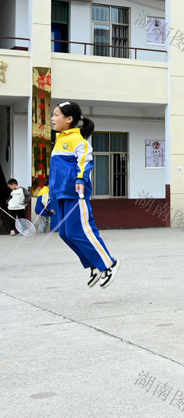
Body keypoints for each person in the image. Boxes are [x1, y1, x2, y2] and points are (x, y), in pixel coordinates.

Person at [50, 102, 119, 287]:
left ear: (69, 119)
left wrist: (80, 180)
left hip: (75, 194)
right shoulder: (59, 141)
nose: (52, 118)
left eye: (56, 115)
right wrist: (50, 193)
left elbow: (85, 162)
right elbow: (57, 172)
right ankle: (94, 265)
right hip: (61, 195)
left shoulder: (78, 140)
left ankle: (108, 263)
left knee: (84, 231)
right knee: (66, 234)